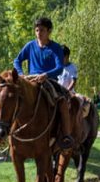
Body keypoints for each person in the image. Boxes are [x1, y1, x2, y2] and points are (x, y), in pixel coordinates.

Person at [13, 17, 72, 146]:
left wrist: (46, 75)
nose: (39, 33)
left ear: (49, 31)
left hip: (49, 80)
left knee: (62, 101)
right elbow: (17, 60)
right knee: (13, 96)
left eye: (42, 30)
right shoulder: (30, 46)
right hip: (30, 79)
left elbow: (60, 68)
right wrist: (21, 74)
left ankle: (66, 136)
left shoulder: (55, 47)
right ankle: (8, 131)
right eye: (37, 30)